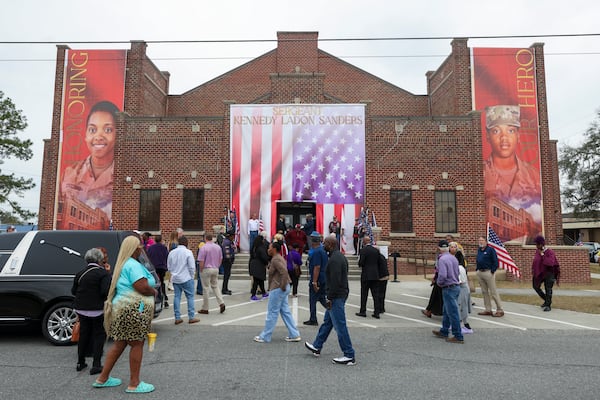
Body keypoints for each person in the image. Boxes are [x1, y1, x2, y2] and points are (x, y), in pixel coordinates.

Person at [94, 235, 156, 393]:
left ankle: (103, 378)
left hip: (122, 308)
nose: (141, 248)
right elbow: (141, 286)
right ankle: (134, 383)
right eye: (139, 246)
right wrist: (153, 291)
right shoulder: (133, 265)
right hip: (133, 309)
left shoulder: (124, 264)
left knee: (120, 343)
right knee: (137, 343)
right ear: (134, 249)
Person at [60, 101, 119, 228]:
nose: (98, 136)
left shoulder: (123, 173)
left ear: (118, 134)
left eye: (108, 129)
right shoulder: (70, 173)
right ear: (86, 135)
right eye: (92, 130)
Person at [305, 236, 356, 365]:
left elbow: (335, 281)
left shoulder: (334, 260)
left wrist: (329, 297)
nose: (323, 245)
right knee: (328, 322)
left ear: (331, 245)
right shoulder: (338, 257)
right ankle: (317, 346)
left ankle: (349, 354)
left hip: (336, 297)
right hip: (339, 295)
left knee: (340, 326)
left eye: (325, 243)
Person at [483, 105, 541, 202]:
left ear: (518, 135)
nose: (504, 137)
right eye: (496, 131)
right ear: (488, 136)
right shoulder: (479, 174)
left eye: (510, 131)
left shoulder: (533, 176)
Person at [71, 248, 111, 375]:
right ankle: (96, 364)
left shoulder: (80, 273)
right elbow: (105, 291)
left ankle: (80, 362)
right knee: (99, 335)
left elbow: (73, 291)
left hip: (81, 308)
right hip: (97, 309)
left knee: (84, 334)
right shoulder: (103, 273)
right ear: (100, 260)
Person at [253, 241, 301, 343]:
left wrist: (282, 285)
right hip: (282, 287)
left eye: (269, 248)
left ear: (274, 249)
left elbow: (284, 271)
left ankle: (265, 336)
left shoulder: (276, 260)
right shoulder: (278, 258)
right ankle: (294, 334)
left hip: (278, 288)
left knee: (272, 312)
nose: (268, 249)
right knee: (285, 311)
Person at [432, 240, 464, 344]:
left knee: (452, 312)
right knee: (446, 310)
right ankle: (444, 331)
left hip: (448, 287)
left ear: (439, 248)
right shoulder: (453, 258)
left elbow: (442, 275)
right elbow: (458, 271)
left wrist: (439, 283)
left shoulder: (442, 259)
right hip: (455, 286)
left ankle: (458, 335)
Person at [168, 236, 200, 324]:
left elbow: (169, 266)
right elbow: (191, 266)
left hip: (175, 278)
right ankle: (191, 316)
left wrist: (173, 274)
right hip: (186, 277)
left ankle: (177, 317)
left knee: (177, 297)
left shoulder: (172, 253)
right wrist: (192, 276)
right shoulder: (188, 252)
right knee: (190, 297)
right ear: (186, 243)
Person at [197, 234, 226, 314]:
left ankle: (205, 308)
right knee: (215, 286)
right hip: (215, 268)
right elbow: (221, 258)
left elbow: (201, 260)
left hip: (206, 268)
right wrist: (217, 266)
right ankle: (221, 302)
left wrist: (201, 269)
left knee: (206, 288)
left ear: (205, 239)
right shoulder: (218, 247)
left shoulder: (204, 247)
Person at [476, 236, 504, 317]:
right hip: (480, 272)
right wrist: (477, 270)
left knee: (493, 292)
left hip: (488, 272)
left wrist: (492, 271)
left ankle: (500, 309)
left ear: (486, 241)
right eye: (479, 240)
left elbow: (495, 261)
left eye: (482, 240)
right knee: (484, 292)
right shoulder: (479, 250)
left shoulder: (490, 250)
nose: (480, 242)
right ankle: (488, 309)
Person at [304, 231, 328, 326]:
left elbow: (317, 267)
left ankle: (313, 318)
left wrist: (314, 282)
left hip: (317, 279)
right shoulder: (322, 250)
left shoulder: (317, 252)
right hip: (323, 278)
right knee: (322, 298)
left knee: (313, 299)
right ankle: (333, 311)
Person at [532, 235, 561, 312]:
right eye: (536, 244)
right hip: (540, 273)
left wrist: (543, 255)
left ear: (542, 244)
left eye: (537, 244)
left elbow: (550, 263)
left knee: (548, 289)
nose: (536, 246)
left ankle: (548, 305)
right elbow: (536, 262)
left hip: (549, 273)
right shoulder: (537, 252)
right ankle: (547, 300)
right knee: (535, 286)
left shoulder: (549, 252)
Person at [356, 236, 382, 319]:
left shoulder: (363, 250)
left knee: (364, 294)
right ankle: (377, 312)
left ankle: (363, 311)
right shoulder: (376, 250)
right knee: (375, 295)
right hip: (375, 274)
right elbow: (379, 262)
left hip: (366, 275)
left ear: (364, 242)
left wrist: (361, 264)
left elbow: (361, 262)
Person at [450, 242, 472, 334]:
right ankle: (456, 324)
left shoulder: (460, 269)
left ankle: (466, 327)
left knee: (462, 308)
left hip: (462, 289)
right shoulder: (458, 268)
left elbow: (460, 281)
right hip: (460, 289)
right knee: (458, 307)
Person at [146, 234, 169, 308]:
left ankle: (156, 299)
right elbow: (166, 257)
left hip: (154, 268)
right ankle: (165, 299)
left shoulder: (151, 248)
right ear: (161, 240)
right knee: (162, 282)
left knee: (155, 283)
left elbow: (148, 257)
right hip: (162, 267)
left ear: (155, 240)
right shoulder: (164, 248)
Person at [249, 235, 269, 301]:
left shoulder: (254, 248)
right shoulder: (260, 248)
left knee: (260, 280)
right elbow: (264, 257)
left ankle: (264, 293)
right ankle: (253, 295)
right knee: (257, 281)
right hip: (259, 265)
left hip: (253, 264)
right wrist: (267, 262)